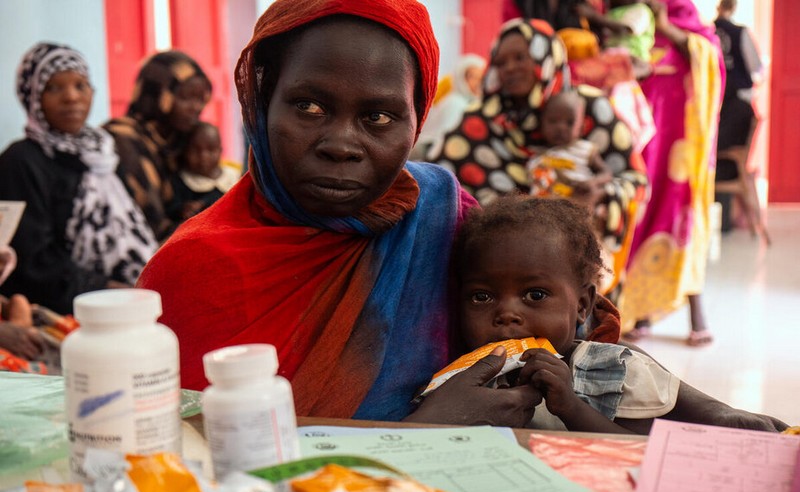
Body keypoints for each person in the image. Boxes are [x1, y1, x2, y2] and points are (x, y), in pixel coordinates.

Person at [138, 0, 552, 428]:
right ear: (263, 104)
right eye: (308, 107)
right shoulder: (190, 273)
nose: (340, 144)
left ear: (416, 120)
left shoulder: (445, 218)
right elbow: (171, 450)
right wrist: (424, 430)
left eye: (378, 117)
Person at [441, 195, 787, 434]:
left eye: (535, 295)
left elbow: (638, 452)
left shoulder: (610, 371)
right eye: (482, 296)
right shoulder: (456, 380)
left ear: (582, 305)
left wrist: (571, 407)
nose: (506, 314)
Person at [428, 18, 648, 299]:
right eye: (501, 62)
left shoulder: (588, 108)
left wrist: (597, 197)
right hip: (502, 276)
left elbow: (635, 180)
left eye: (520, 57)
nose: (510, 68)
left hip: (584, 264)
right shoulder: (480, 121)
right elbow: (440, 188)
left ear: (546, 57)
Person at [0, 43, 157, 315]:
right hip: (65, 308)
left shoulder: (104, 152)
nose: (71, 97)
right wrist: (107, 289)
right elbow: (32, 262)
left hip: (128, 290)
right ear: (33, 97)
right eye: (53, 88)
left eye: (80, 85)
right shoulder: (21, 161)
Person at [618, 0, 724, 346]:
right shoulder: (629, 16)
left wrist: (665, 25)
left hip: (682, 146)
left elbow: (710, 59)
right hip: (644, 140)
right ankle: (641, 312)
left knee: (683, 220)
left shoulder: (686, 17)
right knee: (642, 213)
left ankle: (697, 312)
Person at [104, 51, 212, 241]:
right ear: (157, 95)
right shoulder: (124, 140)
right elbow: (152, 225)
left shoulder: (179, 140)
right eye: (186, 98)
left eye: (200, 99)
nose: (196, 108)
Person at [714, 0, 763, 232]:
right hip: (735, 106)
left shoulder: (708, 33)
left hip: (722, 108)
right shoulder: (739, 33)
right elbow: (757, 68)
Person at [528, 90, 613, 214]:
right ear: (541, 124)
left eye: (570, 123)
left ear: (582, 128)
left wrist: (593, 182)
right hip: (546, 211)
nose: (560, 128)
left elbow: (607, 173)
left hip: (579, 201)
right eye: (553, 121)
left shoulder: (585, 149)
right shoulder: (537, 154)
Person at [410, 54, 486, 161]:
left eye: (480, 78)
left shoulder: (474, 104)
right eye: (472, 77)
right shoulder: (456, 103)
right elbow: (445, 141)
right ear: (460, 78)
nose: (477, 82)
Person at [166, 122, 241, 223]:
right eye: (196, 150)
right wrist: (183, 210)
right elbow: (171, 210)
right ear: (185, 151)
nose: (203, 156)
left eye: (211, 149)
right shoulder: (180, 181)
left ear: (220, 150)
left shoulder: (235, 178)